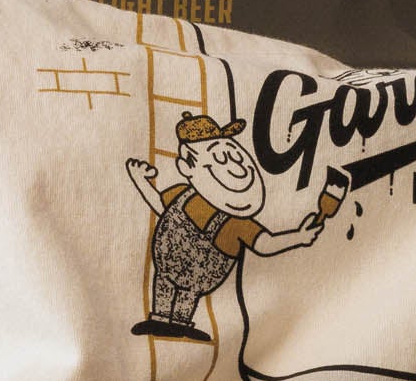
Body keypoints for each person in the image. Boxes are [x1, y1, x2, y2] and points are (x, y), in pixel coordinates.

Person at [124, 112, 322, 340]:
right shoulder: (182, 194)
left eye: (235, 156)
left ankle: (180, 323)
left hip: (199, 279)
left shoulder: (236, 223)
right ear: (187, 166)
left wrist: (299, 237)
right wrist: (139, 179)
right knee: (164, 283)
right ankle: (159, 319)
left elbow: (265, 244)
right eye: (220, 158)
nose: (234, 165)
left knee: (188, 293)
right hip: (166, 265)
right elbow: (159, 204)